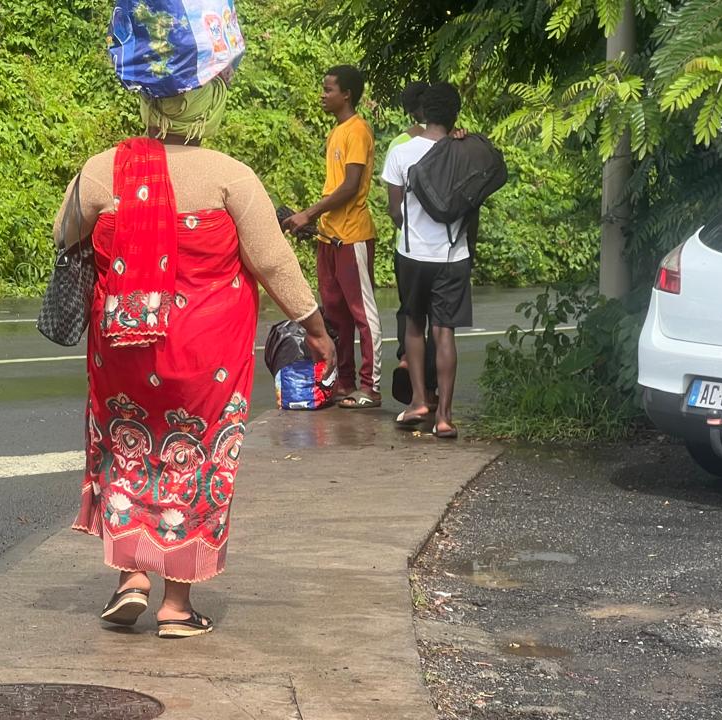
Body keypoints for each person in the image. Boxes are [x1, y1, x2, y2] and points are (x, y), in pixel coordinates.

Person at [56, 75, 335, 639]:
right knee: (195, 461)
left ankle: (131, 579)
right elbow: (273, 262)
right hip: (207, 357)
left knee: (130, 450)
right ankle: (176, 607)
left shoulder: (104, 168)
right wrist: (316, 328)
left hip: (125, 350)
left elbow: (65, 235)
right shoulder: (230, 176)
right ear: (209, 106)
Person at [381, 82, 478, 439]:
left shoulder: (402, 153)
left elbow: (394, 211)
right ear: (455, 116)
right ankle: (446, 418)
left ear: (422, 114)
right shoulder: (464, 152)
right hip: (454, 255)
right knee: (445, 331)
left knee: (413, 325)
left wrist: (412, 226)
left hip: (413, 255)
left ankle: (419, 401)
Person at [283, 65, 383, 410]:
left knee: (362, 314)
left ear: (347, 95)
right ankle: (343, 383)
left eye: (328, 90)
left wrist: (308, 213)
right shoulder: (337, 132)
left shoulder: (357, 130)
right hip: (329, 237)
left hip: (352, 235)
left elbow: (350, 186)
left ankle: (370, 387)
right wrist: (313, 223)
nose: (323, 95)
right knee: (335, 315)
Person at [387, 81, 438, 408]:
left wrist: (411, 231)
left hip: (407, 246)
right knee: (440, 324)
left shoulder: (400, 143)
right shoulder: (450, 141)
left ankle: (408, 361)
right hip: (446, 249)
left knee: (410, 312)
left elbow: (394, 209)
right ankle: (434, 396)